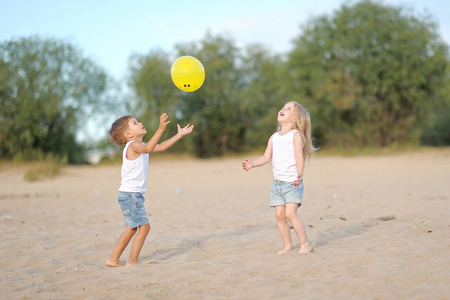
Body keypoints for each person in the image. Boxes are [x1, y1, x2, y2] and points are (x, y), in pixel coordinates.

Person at [106, 113, 194, 267]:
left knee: (132, 228)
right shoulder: (133, 146)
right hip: (130, 195)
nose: (140, 122)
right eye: (134, 123)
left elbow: (159, 147)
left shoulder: (140, 146)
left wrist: (178, 136)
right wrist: (160, 129)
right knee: (144, 227)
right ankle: (131, 261)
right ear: (128, 134)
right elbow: (148, 148)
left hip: (130, 195)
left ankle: (113, 259)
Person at [242, 101, 317, 254]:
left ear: (295, 119)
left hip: (292, 183)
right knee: (279, 215)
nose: (283, 109)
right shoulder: (274, 137)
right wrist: (253, 164)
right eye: (283, 107)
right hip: (277, 184)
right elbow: (265, 156)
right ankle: (288, 245)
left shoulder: (295, 136)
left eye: (289, 108)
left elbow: (298, 156)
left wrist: (300, 174)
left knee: (290, 214)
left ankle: (305, 244)